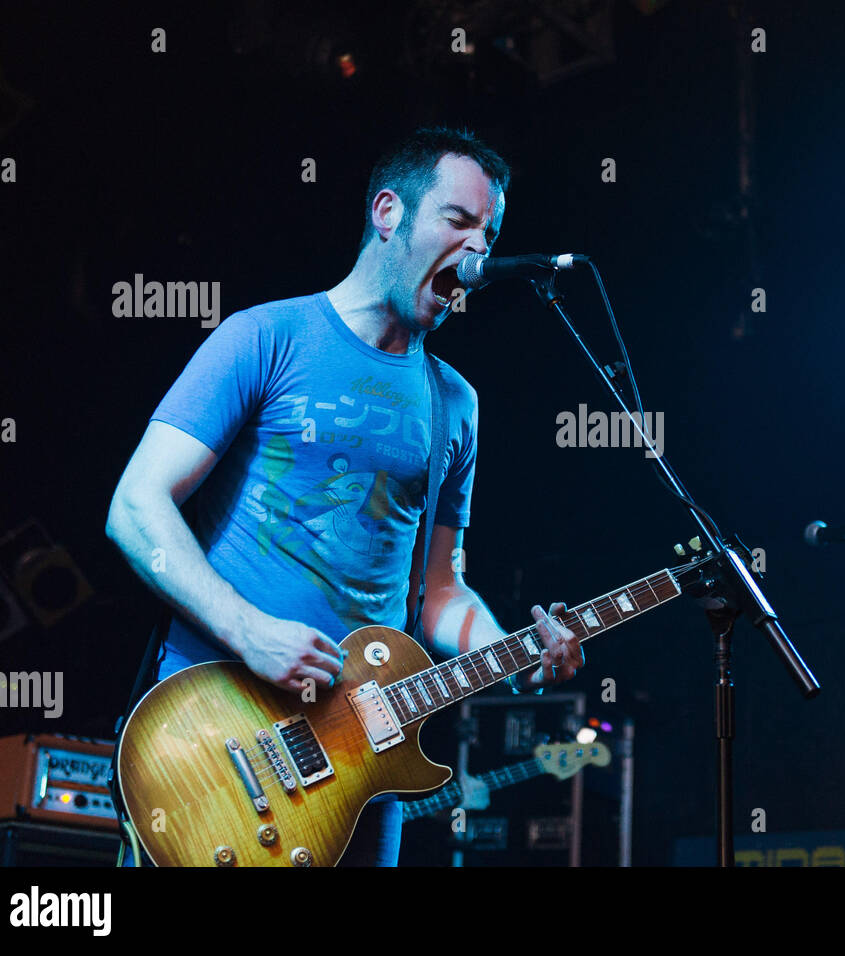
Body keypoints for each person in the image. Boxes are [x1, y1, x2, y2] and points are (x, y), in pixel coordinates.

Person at [105, 127, 584, 866]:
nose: (479, 251)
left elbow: (438, 591)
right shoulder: (265, 337)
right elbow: (136, 507)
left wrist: (512, 653)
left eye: (489, 234)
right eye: (457, 222)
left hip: (364, 759)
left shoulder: (455, 402)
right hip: (217, 737)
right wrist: (247, 629)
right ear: (388, 212)